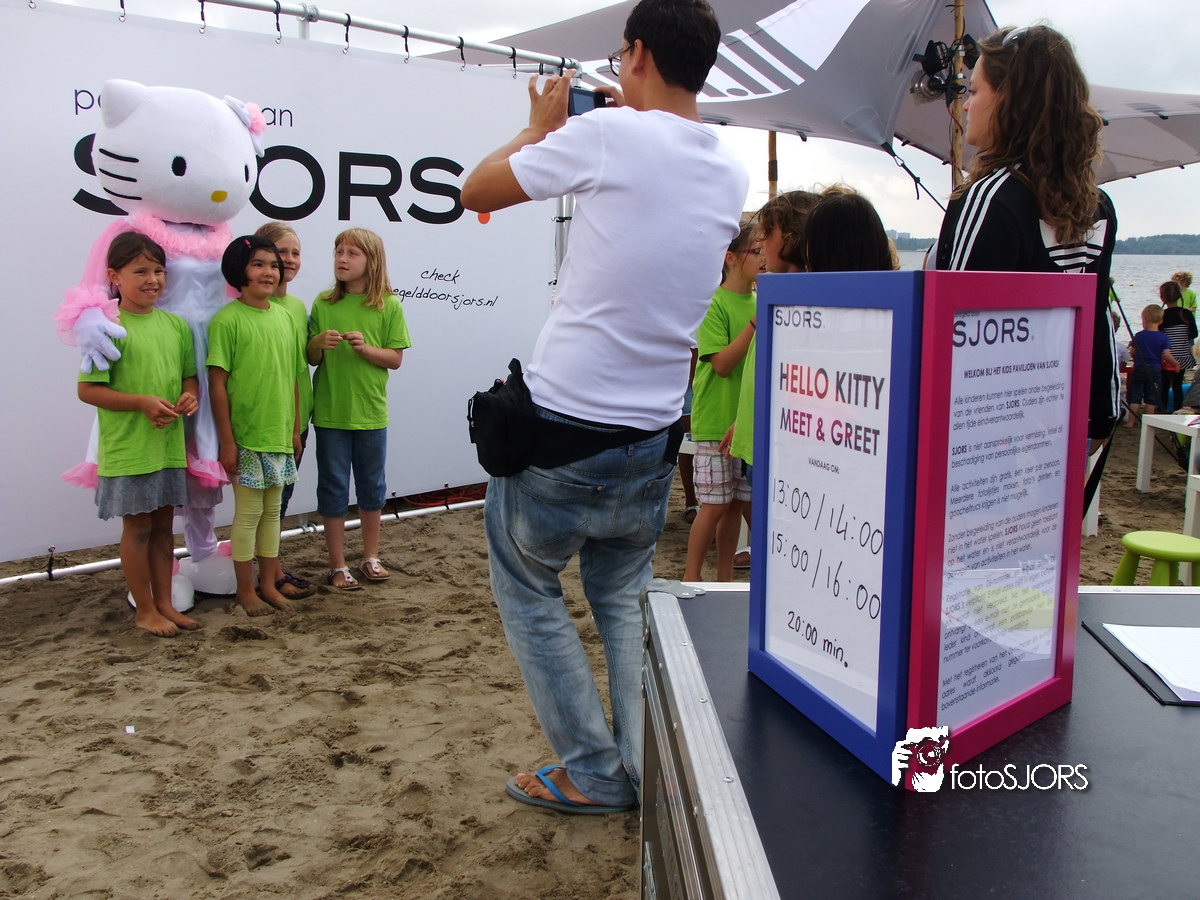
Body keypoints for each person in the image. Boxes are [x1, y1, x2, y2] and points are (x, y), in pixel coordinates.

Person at [461, 0, 747, 813]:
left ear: (638, 54)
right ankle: (647, 762)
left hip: (562, 427)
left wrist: (539, 129)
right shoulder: (728, 169)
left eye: (623, 55)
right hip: (653, 435)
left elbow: (473, 190)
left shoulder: (607, 134)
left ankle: (591, 769)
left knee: (528, 587)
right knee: (622, 594)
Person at [934, 25, 1119, 452]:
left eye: (974, 91)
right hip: (1063, 421)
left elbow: (953, 338)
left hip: (987, 437)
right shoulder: (1097, 207)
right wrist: (1100, 415)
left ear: (1009, 100)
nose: (966, 105)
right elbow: (1096, 320)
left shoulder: (990, 198)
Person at [77, 232, 201, 637]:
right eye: (141, 271)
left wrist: (189, 396)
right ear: (114, 276)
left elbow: (189, 377)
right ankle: (144, 610)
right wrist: (141, 403)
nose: (153, 280)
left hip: (167, 446)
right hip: (129, 449)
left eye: (159, 271)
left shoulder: (176, 325)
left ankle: (165, 604)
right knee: (139, 528)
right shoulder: (106, 326)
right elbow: (88, 390)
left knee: (164, 529)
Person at [307, 228, 410, 591]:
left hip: (371, 413)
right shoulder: (323, 303)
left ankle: (370, 557)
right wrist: (317, 343)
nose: (342, 258)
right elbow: (310, 357)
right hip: (331, 413)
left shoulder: (388, 305)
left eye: (352, 253)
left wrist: (366, 350)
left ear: (372, 261)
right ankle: (337, 565)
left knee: (372, 487)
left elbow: (395, 359)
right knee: (333, 488)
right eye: (339, 251)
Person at [207, 235, 305, 616]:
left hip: (278, 436)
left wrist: (294, 430)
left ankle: (268, 584)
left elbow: (294, 377)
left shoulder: (285, 318)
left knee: (272, 513)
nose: (269, 272)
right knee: (248, 515)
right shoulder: (227, 320)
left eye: (273, 265)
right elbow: (217, 383)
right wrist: (227, 441)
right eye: (258, 264)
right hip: (246, 437)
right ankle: (245, 590)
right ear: (239, 271)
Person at [722, 190, 821, 474]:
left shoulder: (801, 296)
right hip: (758, 431)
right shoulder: (774, 292)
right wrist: (744, 420)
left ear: (791, 236)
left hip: (779, 441)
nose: (761, 241)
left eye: (767, 232)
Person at [684, 224, 761, 582]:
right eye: (755, 251)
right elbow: (722, 365)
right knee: (714, 504)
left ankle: (725, 580)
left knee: (735, 505)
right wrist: (755, 324)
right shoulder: (713, 303)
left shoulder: (759, 302)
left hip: (744, 424)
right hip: (716, 420)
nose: (763, 258)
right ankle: (691, 577)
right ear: (730, 258)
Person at [255, 221, 317, 601]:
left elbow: (299, 363)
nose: (289, 260)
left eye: (296, 253)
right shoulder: (255, 307)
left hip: (299, 417)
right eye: (282, 252)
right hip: (271, 421)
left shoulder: (297, 306)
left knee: (282, 501)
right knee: (265, 504)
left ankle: (272, 568)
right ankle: (270, 574)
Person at [1125, 303, 1177, 424]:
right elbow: (1167, 355)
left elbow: (1132, 353)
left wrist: (1135, 356)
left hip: (1139, 368)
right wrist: (1176, 364)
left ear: (1144, 320)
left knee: (1135, 397)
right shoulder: (1163, 337)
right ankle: (1147, 424)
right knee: (1151, 399)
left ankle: (1130, 423)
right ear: (1161, 321)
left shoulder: (1139, 335)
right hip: (1154, 370)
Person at [1159, 279, 1197, 411]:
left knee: (1164, 385)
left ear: (1162, 297)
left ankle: (1162, 410)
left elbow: (1159, 336)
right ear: (1180, 295)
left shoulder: (1162, 315)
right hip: (1183, 356)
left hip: (1166, 357)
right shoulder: (1186, 314)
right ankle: (1177, 409)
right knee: (1177, 385)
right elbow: (1194, 334)